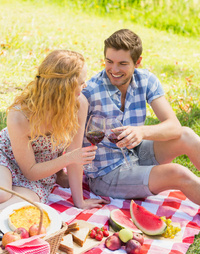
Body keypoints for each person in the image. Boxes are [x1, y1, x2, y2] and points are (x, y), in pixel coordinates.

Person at [82, 28, 200, 206]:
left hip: (135, 153)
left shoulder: (145, 80)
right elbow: (69, 137)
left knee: (187, 136)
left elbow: (174, 126)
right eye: (109, 61)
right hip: (106, 173)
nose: (114, 70)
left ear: (137, 62)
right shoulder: (91, 91)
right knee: (178, 173)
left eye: (122, 63)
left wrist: (142, 131)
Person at [0, 49, 110, 210]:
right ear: (65, 87)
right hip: (7, 158)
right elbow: (31, 170)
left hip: (41, 173)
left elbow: (74, 159)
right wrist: (70, 158)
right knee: (2, 194)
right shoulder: (20, 115)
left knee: (19, 208)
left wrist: (79, 202)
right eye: (81, 82)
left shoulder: (79, 105)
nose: (84, 86)